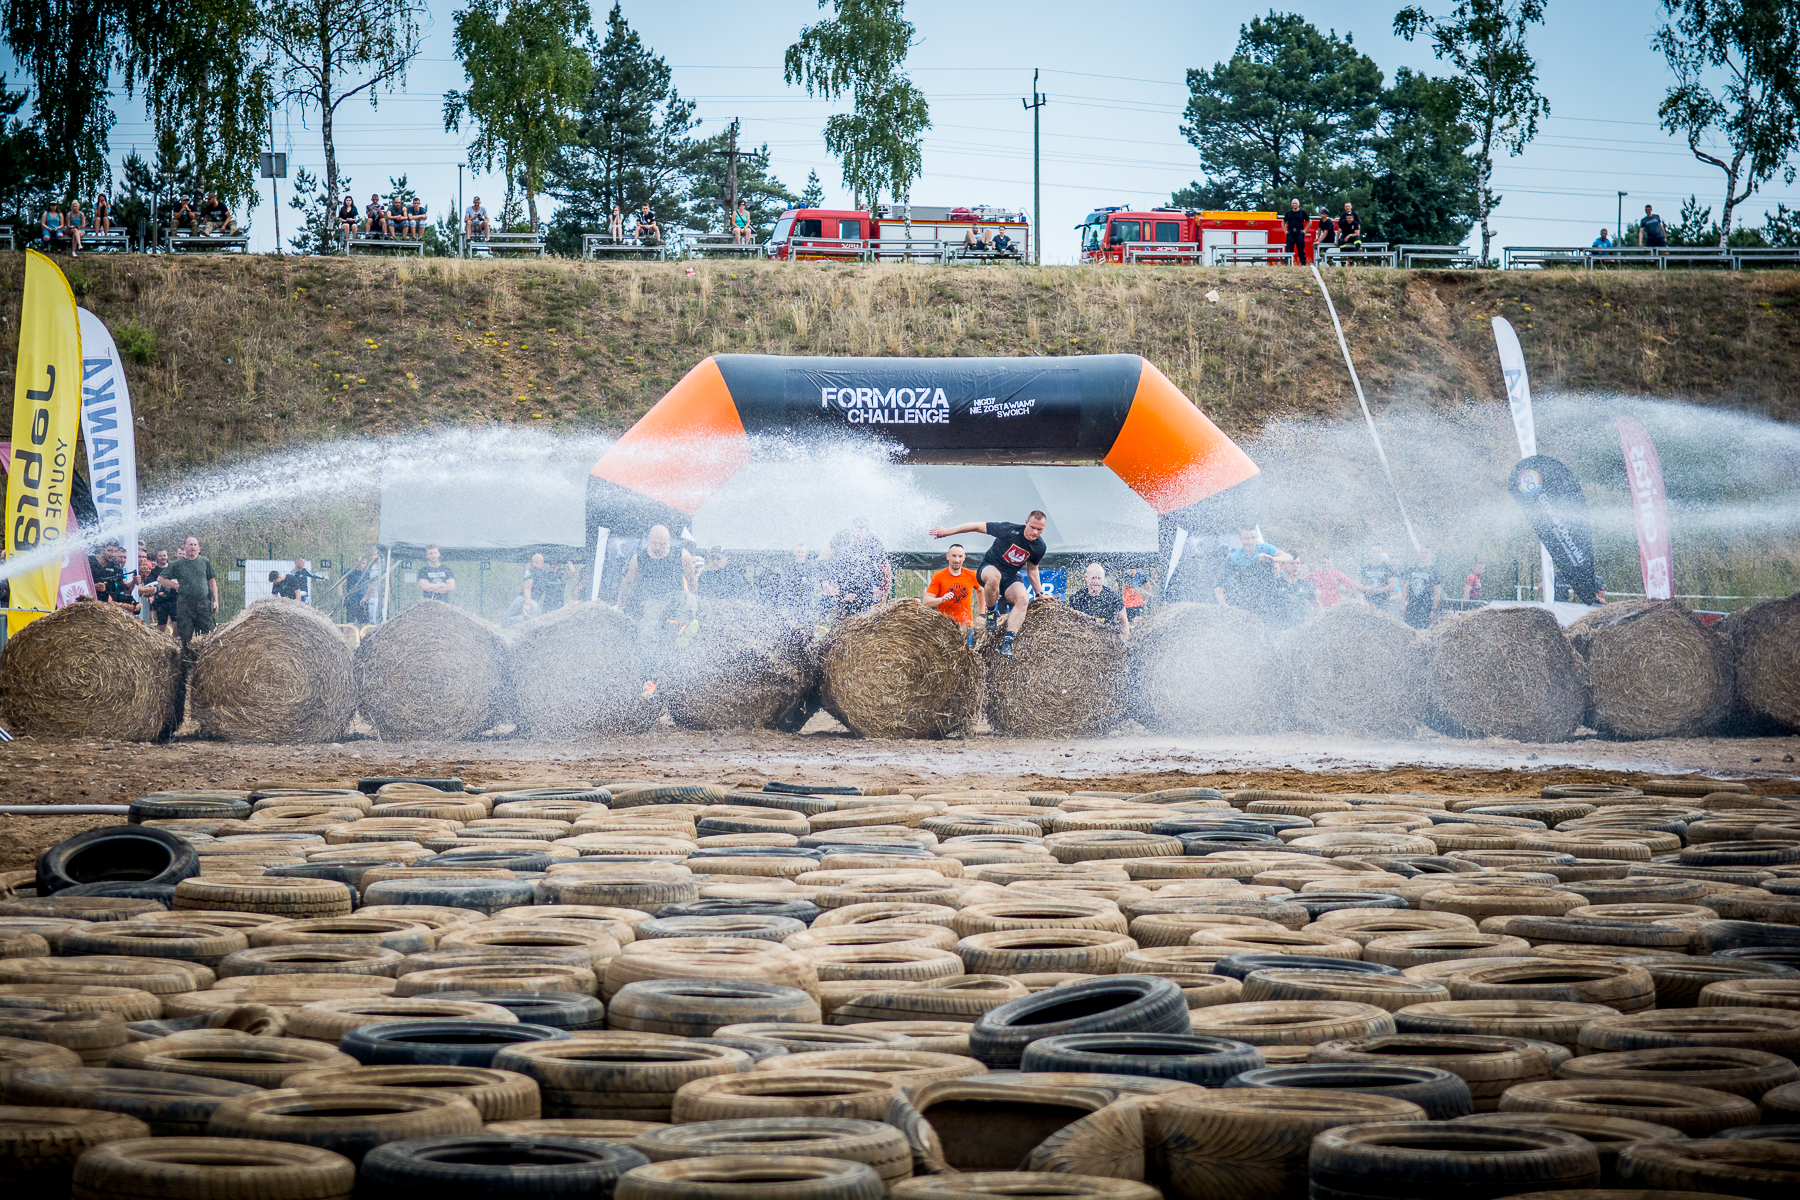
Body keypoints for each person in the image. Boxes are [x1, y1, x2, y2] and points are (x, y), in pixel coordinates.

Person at [927, 511, 1049, 659]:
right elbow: (976, 526)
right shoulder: (1009, 530)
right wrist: (947, 531)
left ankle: (1007, 643)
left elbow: (1032, 569)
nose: (1035, 532)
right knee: (994, 576)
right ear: (1026, 522)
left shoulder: (1039, 547)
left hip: (1009, 578)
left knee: (1023, 597)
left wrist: (1039, 594)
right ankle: (991, 612)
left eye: (1039, 529)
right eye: (1032, 527)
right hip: (989, 568)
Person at [616, 524, 697, 698]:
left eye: (662, 544)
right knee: (647, 636)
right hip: (652, 601)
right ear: (649, 540)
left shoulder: (681, 554)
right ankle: (649, 683)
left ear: (668, 542)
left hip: (676, 596)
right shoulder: (639, 558)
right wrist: (620, 605)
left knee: (689, 599)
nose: (658, 547)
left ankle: (685, 630)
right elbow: (628, 582)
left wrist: (697, 601)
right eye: (655, 543)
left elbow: (691, 578)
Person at [821, 518, 891, 617]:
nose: (857, 539)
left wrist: (882, 602)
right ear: (851, 531)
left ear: (866, 533)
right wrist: (825, 584)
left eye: (860, 536)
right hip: (843, 590)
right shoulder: (841, 537)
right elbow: (822, 559)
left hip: (867, 592)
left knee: (866, 620)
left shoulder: (874, 543)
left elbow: (887, 574)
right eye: (854, 536)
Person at [1213, 528, 1290, 616]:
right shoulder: (1235, 558)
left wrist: (1274, 559)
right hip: (1249, 603)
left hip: (1271, 599)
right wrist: (1224, 605)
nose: (1250, 542)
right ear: (1240, 538)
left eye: (1253, 538)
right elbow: (1218, 583)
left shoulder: (1265, 548)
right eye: (1246, 538)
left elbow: (1288, 557)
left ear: (1257, 537)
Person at [161, 536, 218, 650]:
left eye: (195, 545)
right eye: (190, 545)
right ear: (185, 547)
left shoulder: (204, 561)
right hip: (185, 605)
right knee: (185, 637)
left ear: (199, 548)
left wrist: (216, 600)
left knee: (209, 634)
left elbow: (212, 581)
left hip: (202, 604)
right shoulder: (178, 564)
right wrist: (176, 586)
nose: (193, 547)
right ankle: (186, 664)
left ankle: (205, 661)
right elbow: (161, 579)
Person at [921, 543, 979, 632]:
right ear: (947, 556)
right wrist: (941, 599)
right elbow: (926, 601)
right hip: (944, 625)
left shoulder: (972, 575)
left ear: (964, 558)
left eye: (960, 556)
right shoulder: (939, 576)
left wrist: (982, 613)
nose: (957, 560)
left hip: (966, 625)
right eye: (954, 556)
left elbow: (981, 590)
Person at [1069, 562, 1129, 641]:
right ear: (1086, 577)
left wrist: (1125, 640)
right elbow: (1069, 620)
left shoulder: (1113, 598)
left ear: (1103, 577)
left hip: (1107, 639)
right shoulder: (1077, 598)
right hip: (1083, 639)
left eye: (1099, 578)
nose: (1096, 581)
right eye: (1093, 578)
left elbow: (1123, 621)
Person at [1401, 547, 1443, 630]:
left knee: (1422, 633)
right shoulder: (1412, 569)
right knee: (1408, 630)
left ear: (1431, 555)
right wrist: (1402, 604)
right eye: (1422, 553)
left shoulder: (1434, 571)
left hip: (1425, 607)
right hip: (1411, 606)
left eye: (1426, 553)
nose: (1424, 555)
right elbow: (1406, 588)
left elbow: (1437, 593)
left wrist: (1434, 610)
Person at [778, 544, 818, 621]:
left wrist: (799, 581)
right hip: (790, 602)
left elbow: (812, 585)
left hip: (805, 603)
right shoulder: (788, 567)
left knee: (805, 625)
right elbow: (785, 583)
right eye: (798, 552)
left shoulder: (810, 567)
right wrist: (802, 580)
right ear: (794, 553)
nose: (800, 554)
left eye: (802, 552)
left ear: (805, 554)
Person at [1360, 546, 1398, 612]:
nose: (1376, 553)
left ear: (1381, 552)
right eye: (1374, 551)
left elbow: (1392, 586)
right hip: (1367, 603)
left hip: (1382, 604)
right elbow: (1358, 585)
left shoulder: (1387, 567)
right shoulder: (1366, 567)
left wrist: (1377, 590)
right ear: (1371, 553)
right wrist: (1368, 588)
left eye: (1378, 551)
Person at [1281, 198, 1307, 265]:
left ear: (1298, 204)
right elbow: (1283, 222)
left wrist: (1305, 231)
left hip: (1299, 233)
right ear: (1291, 204)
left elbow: (1310, 221)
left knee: (1301, 249)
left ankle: (1303, 264)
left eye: (1296, 203)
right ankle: (1288, 264)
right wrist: (1285, 231)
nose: (1294, 205)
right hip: (1290, 233)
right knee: (1289, 249)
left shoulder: (1302, 212)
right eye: (1293, 203)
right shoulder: (1288, 213)